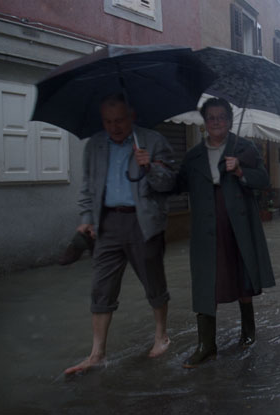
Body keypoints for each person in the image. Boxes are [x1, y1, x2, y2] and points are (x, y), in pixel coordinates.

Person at [65, 94, 176, 375]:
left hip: (143, 222)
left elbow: (169, 184)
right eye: (108, 121)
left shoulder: (152, 141)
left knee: (153, 280)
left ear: (132, 116)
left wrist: (150, 167)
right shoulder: (95, 145)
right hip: (107, 223)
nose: (114, 127)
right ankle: (97, 354)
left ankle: (161, 335)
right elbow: (88, 187)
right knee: (101, 286)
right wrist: (86, 219)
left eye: (120, 120)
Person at [174, 97, 275, 369]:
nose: (216, 122)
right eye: (211, 118)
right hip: (206, 225)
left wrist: (241, 170)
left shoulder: (245, 147)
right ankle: (206, 345)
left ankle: (248, 332)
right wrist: (151, 168)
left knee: (243, 274)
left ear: (230, 121)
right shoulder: (194, 155)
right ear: (204, 123)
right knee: (206, 280)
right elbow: (177, 184)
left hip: (239, 223)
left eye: (221, 117)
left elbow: (264, 180)